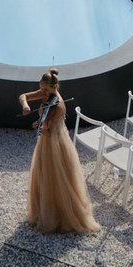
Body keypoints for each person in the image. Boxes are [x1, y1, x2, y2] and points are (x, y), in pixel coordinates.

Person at [20, 70, 99, 234]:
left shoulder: (57, 106)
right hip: (48, 141)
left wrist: (37, 126)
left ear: (54, 87)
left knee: (57, 177)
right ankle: (45, 208)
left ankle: (60, 215)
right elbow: (23, 96)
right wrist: (26, 105)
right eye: (40, 89)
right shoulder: (46, 93)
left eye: (45, 90)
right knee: (45, 174)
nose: (42, 93)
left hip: (55, 143)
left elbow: (48, 132)